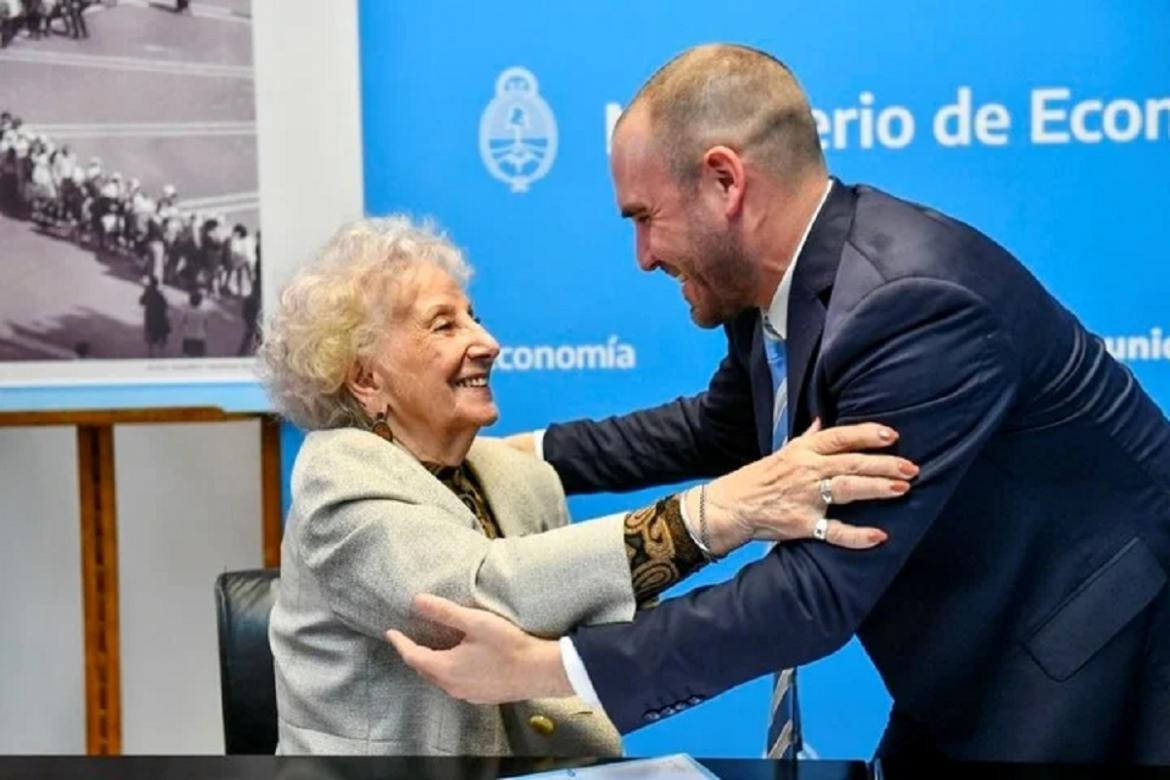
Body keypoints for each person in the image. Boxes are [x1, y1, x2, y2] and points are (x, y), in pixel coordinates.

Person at [387, 44, 1170, 764]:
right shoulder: (775, 291)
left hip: (1091, 664)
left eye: (645, 218)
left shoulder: (912, 308)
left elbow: (817, 588)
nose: (644, 256)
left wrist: (546, 666)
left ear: (725, 181)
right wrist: (506, 454)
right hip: (976, 653)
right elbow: (719, 429)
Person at [257, 216, 914, 756]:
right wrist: (725, 511)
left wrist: (775, 598)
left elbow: (595, 621)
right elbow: (489, 594)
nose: (487, 342)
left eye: (474, 317)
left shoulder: (519, 478)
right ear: (366, 379)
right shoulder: (335, 483)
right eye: (444, 325)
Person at [139, 274, 169, 357]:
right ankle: (161, 354)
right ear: (157, 284)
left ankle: (151, 354)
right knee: (159, 336)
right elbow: (165, 305)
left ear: (150, 283)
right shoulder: (160, 294)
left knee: (151, 339)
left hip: (150, 318)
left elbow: (141, 302)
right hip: (159, 318)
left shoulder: (148, 292)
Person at [176, 288, 208, 357]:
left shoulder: (186, 312)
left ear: (190, 301)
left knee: (187, 358)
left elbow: (181, 324)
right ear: (200, 302)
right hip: (200, 338)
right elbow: (205, 325)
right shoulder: (203, 312)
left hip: (188, 337)